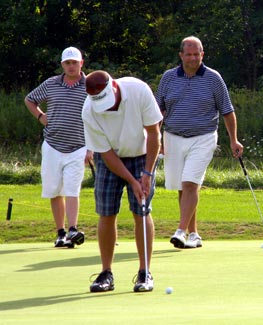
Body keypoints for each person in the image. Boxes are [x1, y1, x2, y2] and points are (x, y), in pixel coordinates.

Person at [155, 36, 244, 249]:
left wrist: (234, 140)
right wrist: (157, 138)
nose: (193, 58)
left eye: (197, 54)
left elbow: (227, 111)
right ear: (181, 55)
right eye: (189, 54)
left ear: (202, 54)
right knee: (181, 187)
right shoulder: (168, 78)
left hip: (203, 137)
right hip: (173, 137)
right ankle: (193, 234)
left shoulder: (213, 78)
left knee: (190, 183)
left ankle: (180, 231)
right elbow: (158, 111)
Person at [82, 70, 162, 292]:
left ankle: (145, 272)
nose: (106, 107)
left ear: (114, 87)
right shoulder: (89, 110)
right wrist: (132, 181)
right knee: (106, 212)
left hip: (141, 154)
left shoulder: (138, 90)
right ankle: (106, 273)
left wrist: (146, 174)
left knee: (141, 210)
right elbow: (106, 154)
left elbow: (154, 134)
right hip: (110, 159)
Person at [24, 47, 92, 248]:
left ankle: (72, 229)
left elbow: (99, 114)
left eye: (75, 62)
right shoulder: (51, 83)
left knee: (72, 188)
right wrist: (40, 116)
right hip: (53, 144)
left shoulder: (91, 85)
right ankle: (61, 232)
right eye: (67, 63)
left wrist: (92, 148)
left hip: (79, 145)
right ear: (62, 65)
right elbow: (30, 99)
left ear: (81, 64)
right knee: (54, 190)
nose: (71, 66)